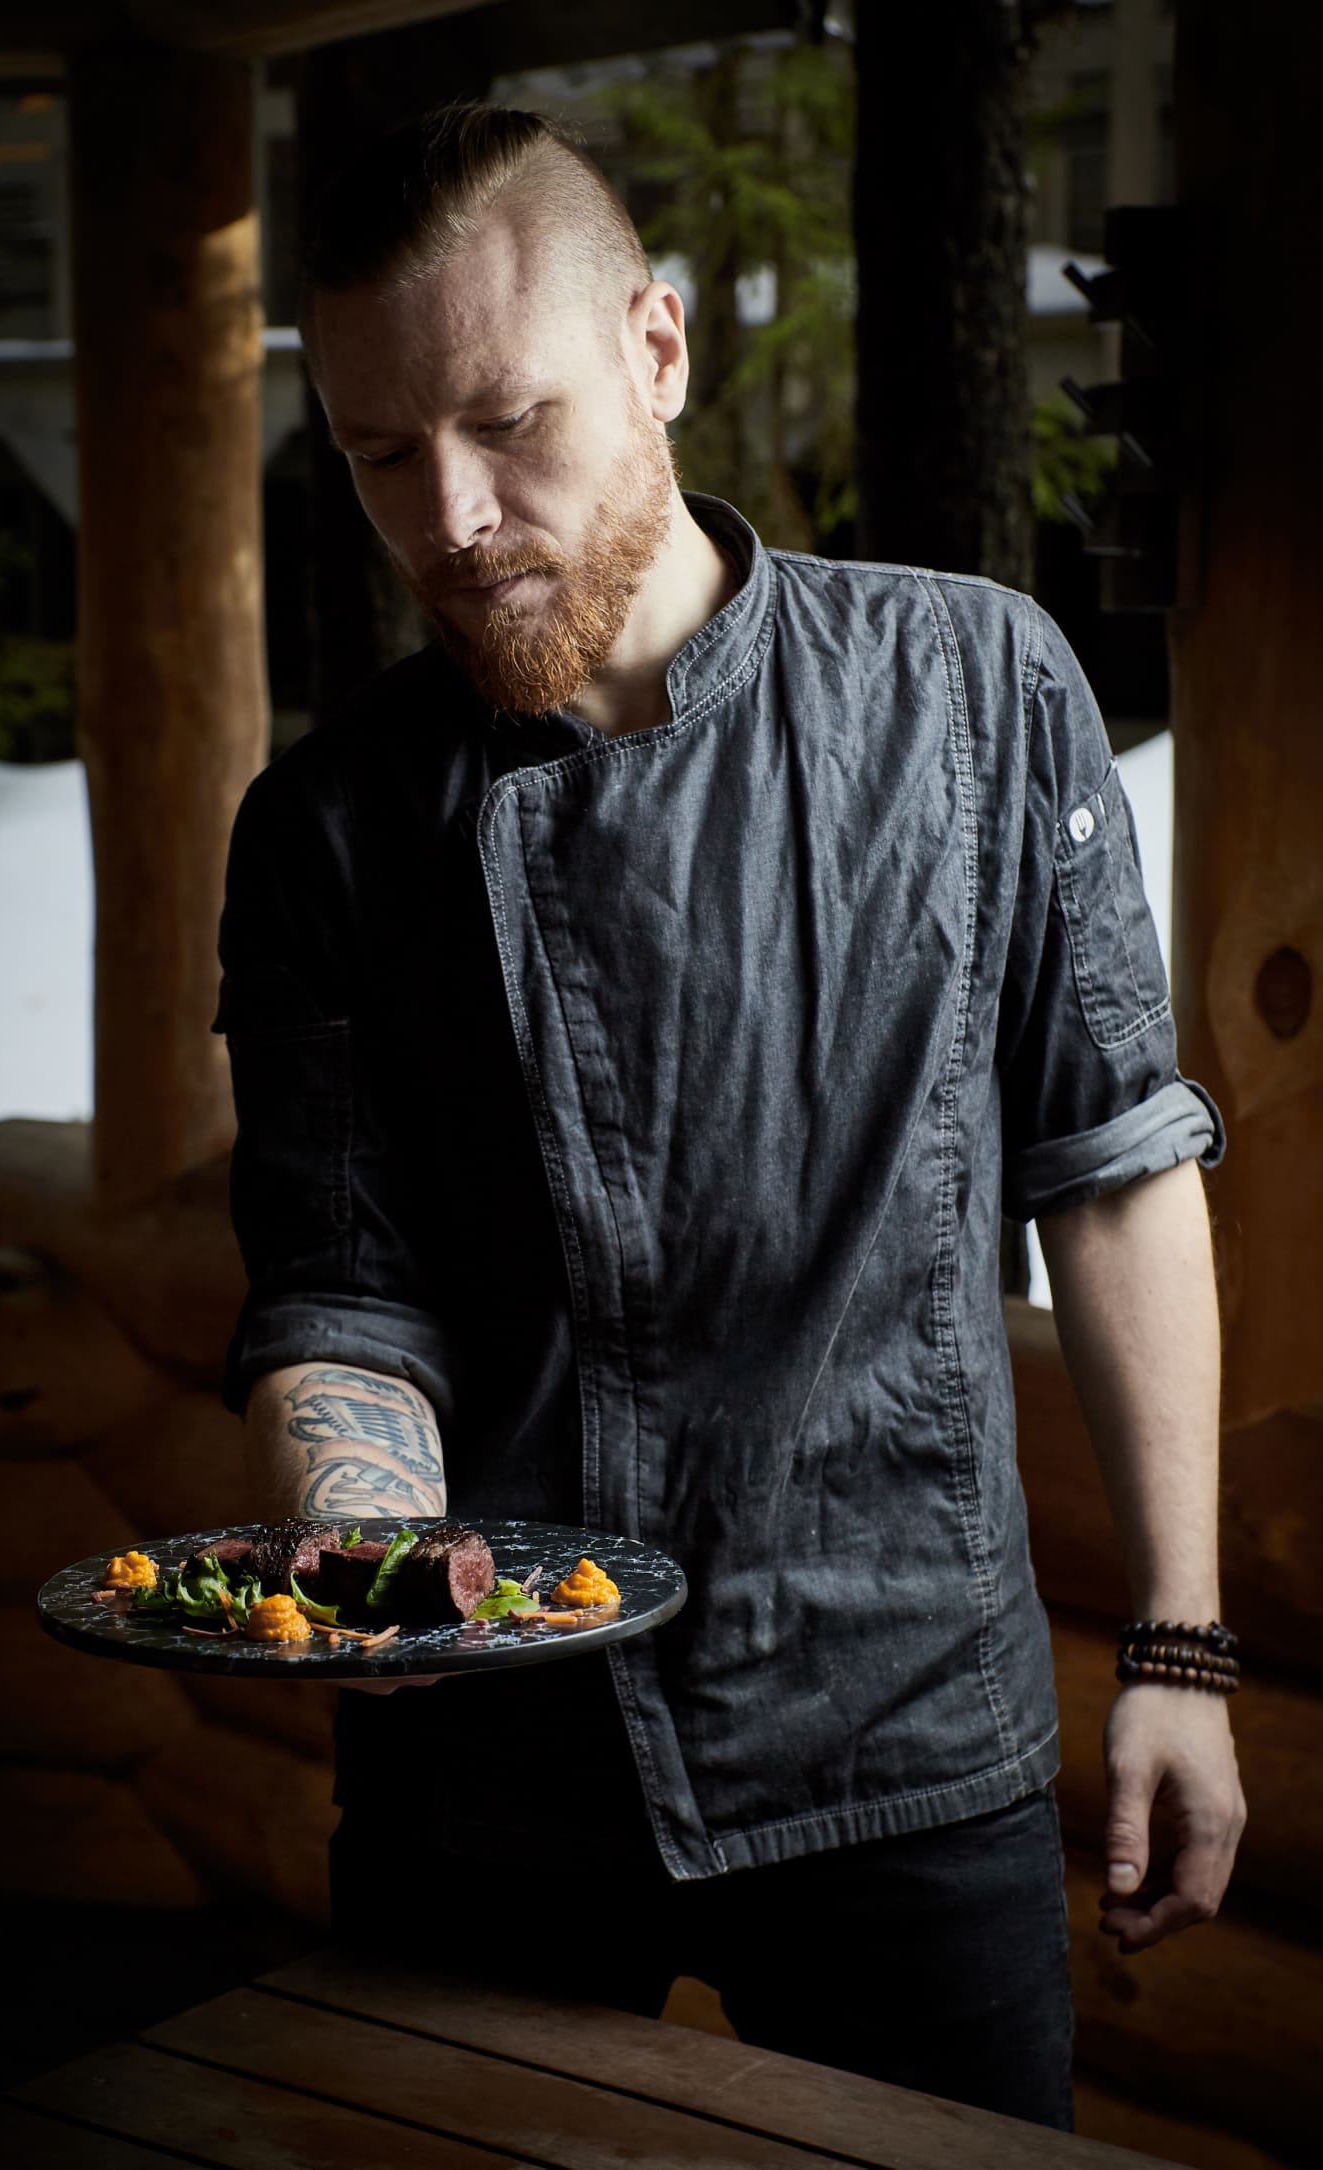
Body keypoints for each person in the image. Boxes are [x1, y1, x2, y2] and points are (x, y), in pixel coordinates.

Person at [213, 104, 1245, 2128]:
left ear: (657, 350)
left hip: (902, 1735)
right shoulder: (323, 828)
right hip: (489, 1769)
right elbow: (340, 1290)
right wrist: (369, 1561)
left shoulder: (976, 691)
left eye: (507, 421)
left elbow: (1114, 1170)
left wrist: (1182, 1650)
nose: (451, 515)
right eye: (380, 452)